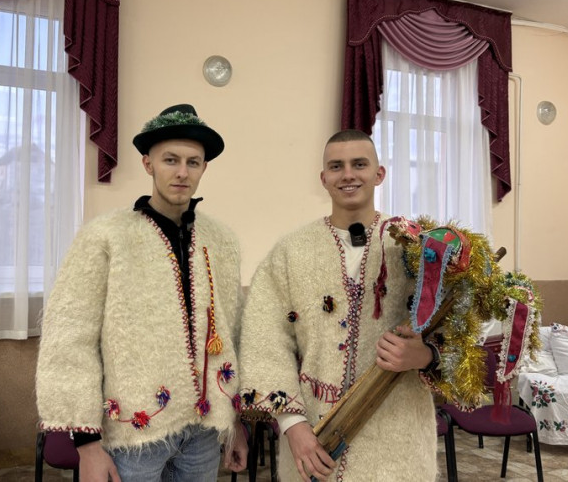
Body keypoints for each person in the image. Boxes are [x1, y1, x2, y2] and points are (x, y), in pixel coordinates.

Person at [36, 104, 248, 482]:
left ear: (204, 168)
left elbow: (231, 333)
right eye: (170, 160)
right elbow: (69, 338)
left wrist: (235, 423)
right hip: (132, 436)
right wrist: (87, 442)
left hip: (203, 431)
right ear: (148, 164)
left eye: (193, 162)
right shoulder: (106, 236)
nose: (182, 172)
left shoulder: (222, 240)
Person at [238, 129, 441, 481]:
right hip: (313, 442)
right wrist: (292, 424)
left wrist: (426, 355)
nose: (348, 174)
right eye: (336, 166)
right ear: (324, 178)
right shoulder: (291, 252)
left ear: (379, 174)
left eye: (359, 164)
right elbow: (264, 339)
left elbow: (460, 335)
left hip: (399, 441)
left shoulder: (416, 249)